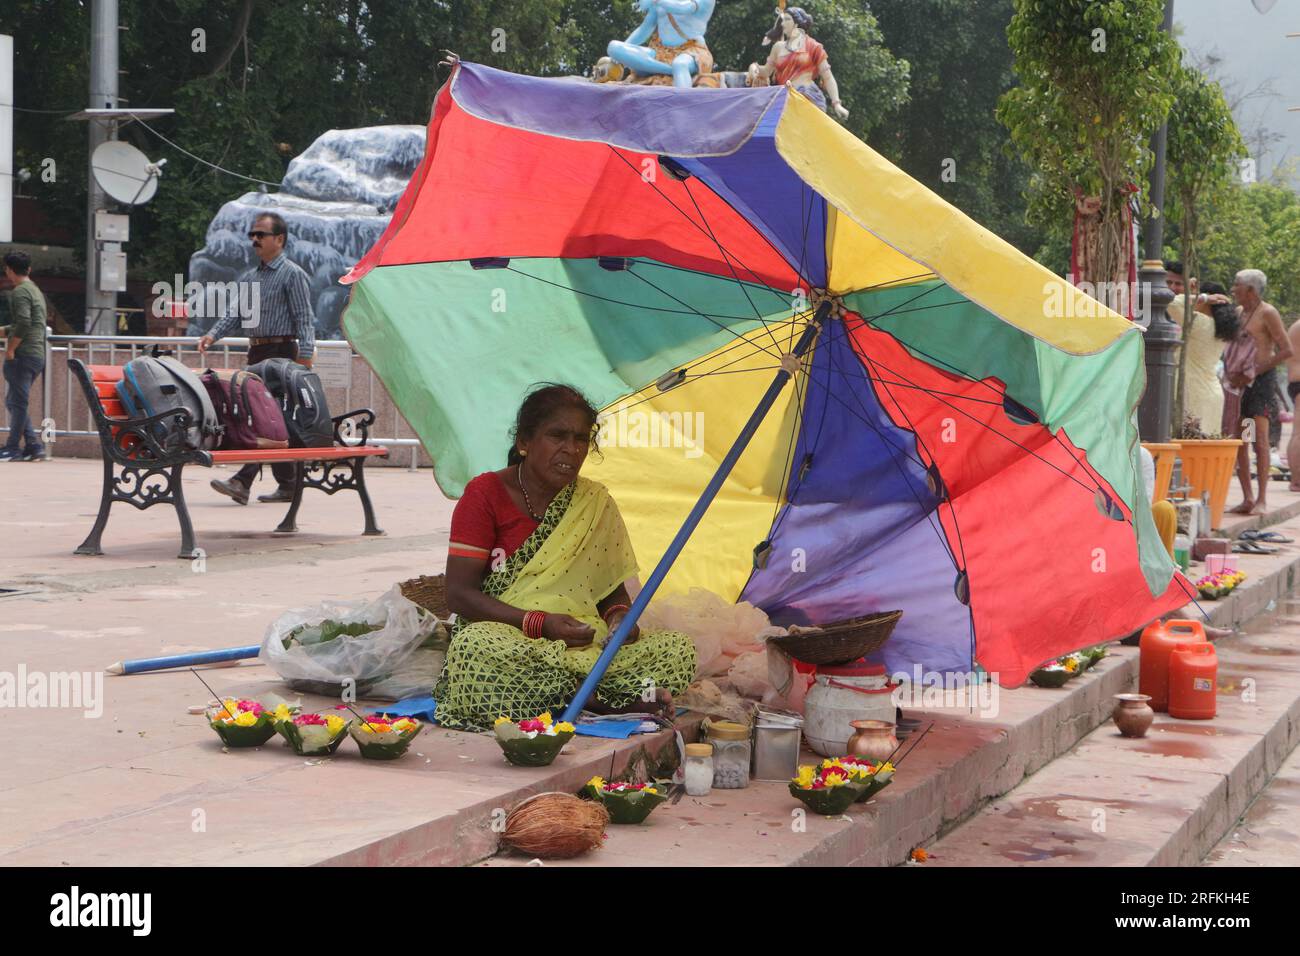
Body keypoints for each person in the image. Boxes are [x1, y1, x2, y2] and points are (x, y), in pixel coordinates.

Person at [434, 384, 697, 731]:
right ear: (525, 442)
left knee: (677, 649)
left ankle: (575, 694)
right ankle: (596, 699)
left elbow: (609, 592)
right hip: (511, 638)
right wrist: (540, 624)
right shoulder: (486, 494)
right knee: (475, 649)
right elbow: (459, 594)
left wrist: (620, 622)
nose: (571, 450)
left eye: (580, 439)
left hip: (582, 641)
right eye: (557, 436)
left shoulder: (595, 501)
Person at [198, 212, 315, 504]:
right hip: (258, 351)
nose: (254, 240)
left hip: (282, 354)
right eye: (252, 235)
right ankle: (287, 484)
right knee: (271, 418)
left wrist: (306, 355)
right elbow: (236, 312)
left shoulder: (293, 274)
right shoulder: (252, 277)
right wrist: (213, 335)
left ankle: (242, 481)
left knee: (264, 416)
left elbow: (304, 318)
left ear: (279, 239)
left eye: (261, 235)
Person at [1225, 269, 1291, 516]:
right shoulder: (1239, 313)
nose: (1233, 290)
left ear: (1250, 290)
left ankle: (1262, 498)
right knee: (1242, 440)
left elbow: (1286, 350)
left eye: (1237, 285)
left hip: (1261, 384)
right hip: (1240, 387)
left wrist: (1255, 370)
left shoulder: (1268, 312)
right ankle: (1248, 497)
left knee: (1260, 442)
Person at [747, 6, 850, 119]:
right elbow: (766, 72)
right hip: (785, 99)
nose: (782, 24)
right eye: (782, 20)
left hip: (808, 97)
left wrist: (836, 104)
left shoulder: (813, 46)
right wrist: (754, 67)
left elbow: (828, 77)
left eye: (787, 19)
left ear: (796, 23)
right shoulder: (778, 47)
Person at [1169, 279, 1236, 435]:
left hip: (1193, 392)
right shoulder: (1220, 329)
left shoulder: (1199, 324)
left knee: (1186, 449)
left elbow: (1171, 302)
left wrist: (1204, 297)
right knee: (1206, 451)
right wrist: (1198, 296)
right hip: (1212, 394)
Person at [1, 252, 49, 462]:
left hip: (24, 354)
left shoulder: (20, 292)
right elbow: (30, 322)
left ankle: (12, 448)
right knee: (15, 401)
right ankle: (33, 445)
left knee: (17, 402)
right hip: (36, 353)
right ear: (28, 269)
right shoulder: (35, 290)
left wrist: (10, 349)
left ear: (9, 270)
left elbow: (23, 322)